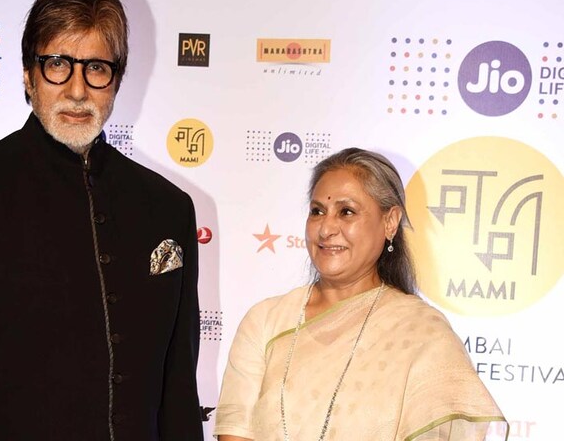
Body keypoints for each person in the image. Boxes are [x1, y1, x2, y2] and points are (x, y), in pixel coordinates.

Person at [0, 0, 203, 440]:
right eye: (58, 65)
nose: (78, 90)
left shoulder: (168, 208)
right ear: (29, 75)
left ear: (117, 80)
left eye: (96, 68)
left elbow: (178, 393)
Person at [213, 148, 509, 441]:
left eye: (346, 212)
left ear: (390, 222)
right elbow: (235, 433)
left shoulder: (421, 333)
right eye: (317, 211)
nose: (326, 229)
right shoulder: (266, 321)